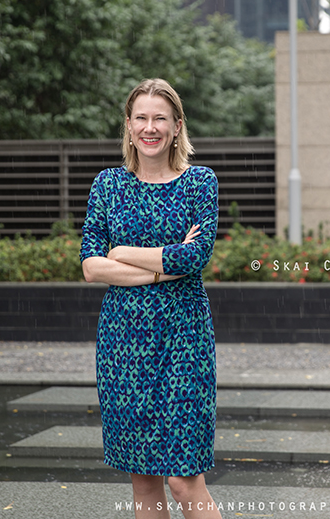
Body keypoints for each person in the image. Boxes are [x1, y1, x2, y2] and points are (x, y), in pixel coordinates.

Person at [80, 78, 221, 518]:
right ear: (128, 125)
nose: (150, 127)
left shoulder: (200, 182)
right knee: (143, 483)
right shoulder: (108, 186)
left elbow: (195, 255)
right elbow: (90, 266)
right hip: (124, 345)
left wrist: (123, 254)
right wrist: (163, 268)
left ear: (177, 126)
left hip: (184, 340)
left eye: (160, 117)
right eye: (141, 117)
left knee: (183, 480)